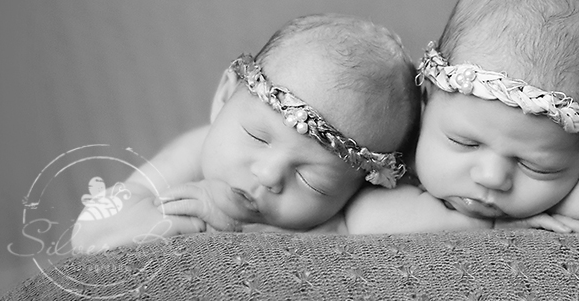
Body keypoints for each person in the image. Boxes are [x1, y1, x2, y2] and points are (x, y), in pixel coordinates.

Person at [345, 0, 579, 234]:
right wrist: (499, 223)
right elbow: (366, 219)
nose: (492, 177)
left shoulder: (564, 158)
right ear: (427, 98)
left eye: (536, 166)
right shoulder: (399, 144)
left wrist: (543, 198)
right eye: (466, 143)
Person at [71, 13, 420, 252]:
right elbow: (90, 233)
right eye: (257, 136)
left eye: (315, 182)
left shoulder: (349, 214)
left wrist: (240, 232)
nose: (268, 175)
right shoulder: (193, 154)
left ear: (357, 189)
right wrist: (187, 223)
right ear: (224, 97)